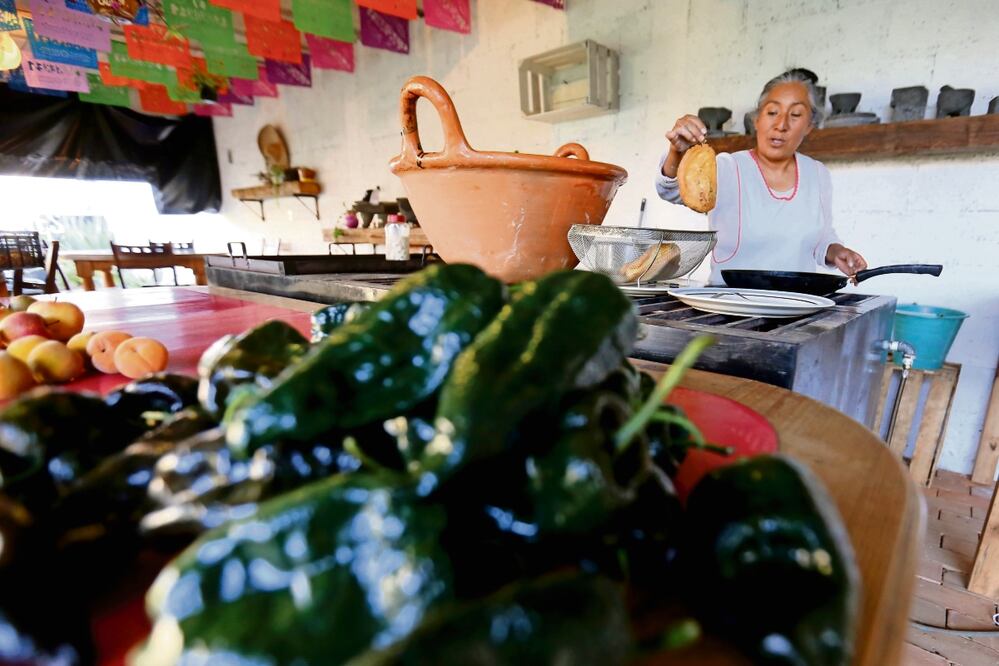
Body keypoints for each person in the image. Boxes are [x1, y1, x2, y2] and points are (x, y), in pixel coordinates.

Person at [655, 70, 868, 285]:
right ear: (757, 120)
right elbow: (671, 190)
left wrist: (837, 251)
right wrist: (677, 151)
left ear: (809, 126)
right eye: (772, 112)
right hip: (730, 304)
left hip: (795, 306)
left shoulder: (817, 173)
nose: (781, 124)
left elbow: (821, 237)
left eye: (795, 115)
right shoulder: (728, 167)